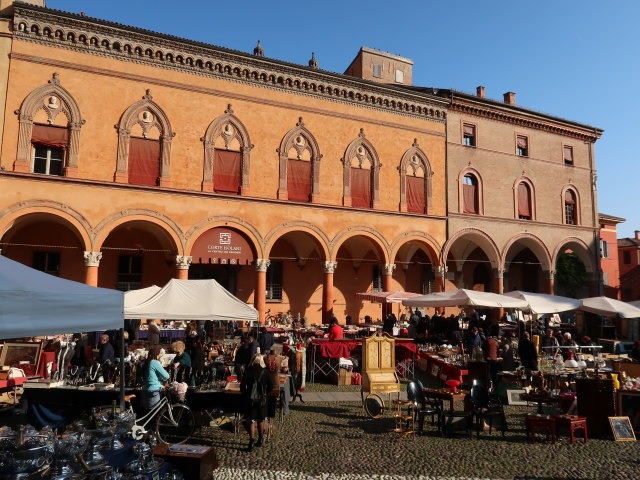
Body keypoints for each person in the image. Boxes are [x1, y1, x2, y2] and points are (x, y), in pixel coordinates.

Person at [240, 354, 275, 451]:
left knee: (250, 420)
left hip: (250, 400)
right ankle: (260, 439)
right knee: (261, 419)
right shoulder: (266, 372)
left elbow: (242, 387)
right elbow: (271, 386)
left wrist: (247, 394)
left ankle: (251, 441)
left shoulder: (247, 371)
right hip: (262, 400)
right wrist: (265, 393)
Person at [141, 345, 170, 410]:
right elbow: (166, 376)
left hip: (145, 389)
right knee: (155, 413)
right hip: (153, 390)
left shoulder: (147, 362)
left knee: (148, 413)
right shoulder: (154, 362)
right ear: (158, 354)